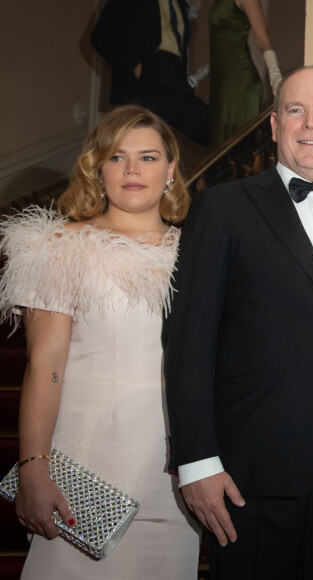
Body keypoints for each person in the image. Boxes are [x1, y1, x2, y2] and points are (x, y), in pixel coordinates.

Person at [163, 66, 313, 579]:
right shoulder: (221, 208)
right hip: (249, 467)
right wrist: (197, 462)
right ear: (274, 125)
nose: (310, 124)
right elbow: (188, 343)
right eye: (296, 110)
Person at [0, 105, 200, 578]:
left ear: (171, 170)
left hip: (173, 479)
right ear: (97, 167)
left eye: (148, 157)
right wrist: (33, 467)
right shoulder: (59, 248)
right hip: (81, 474)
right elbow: (44, 364)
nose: (133, 169)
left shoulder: (200, 254)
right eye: (117, 157)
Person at [91, 0, 209, 146]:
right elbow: (101, 35)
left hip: (176, 79)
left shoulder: (179, 3)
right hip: (147, 75)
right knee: (147, 145)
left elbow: (179, 48)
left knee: (204, 124)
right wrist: (136, 67)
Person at [208, 0, 282, 148]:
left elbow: (263, 42)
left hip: (239, 80)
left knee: (238, 151)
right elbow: (219, 43)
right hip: (219, 81)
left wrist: (276, 78)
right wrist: (200, 75)